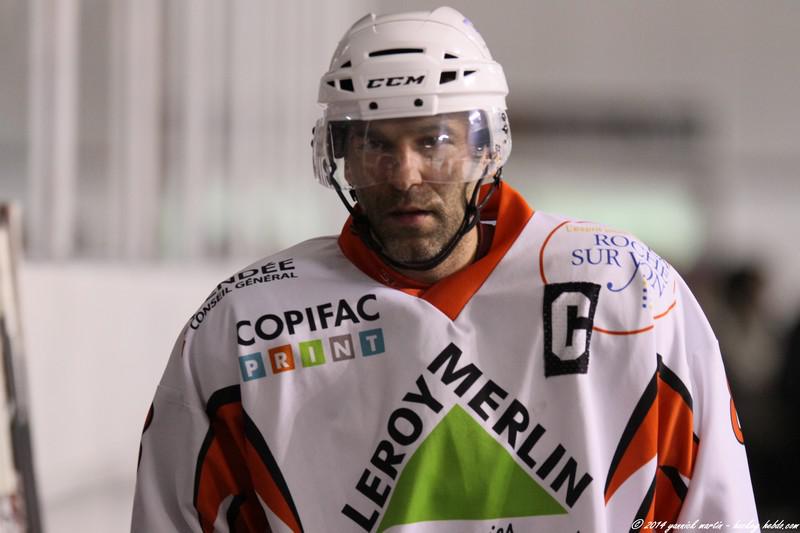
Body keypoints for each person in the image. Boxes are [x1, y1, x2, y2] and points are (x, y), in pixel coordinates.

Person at [132, 7, 759, 532]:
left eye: (433, 141)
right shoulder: (244, 326)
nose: (405, 174)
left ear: (486, 147)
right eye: (376, 143)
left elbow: (714, 506)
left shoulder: (630, 290)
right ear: (341, 156)